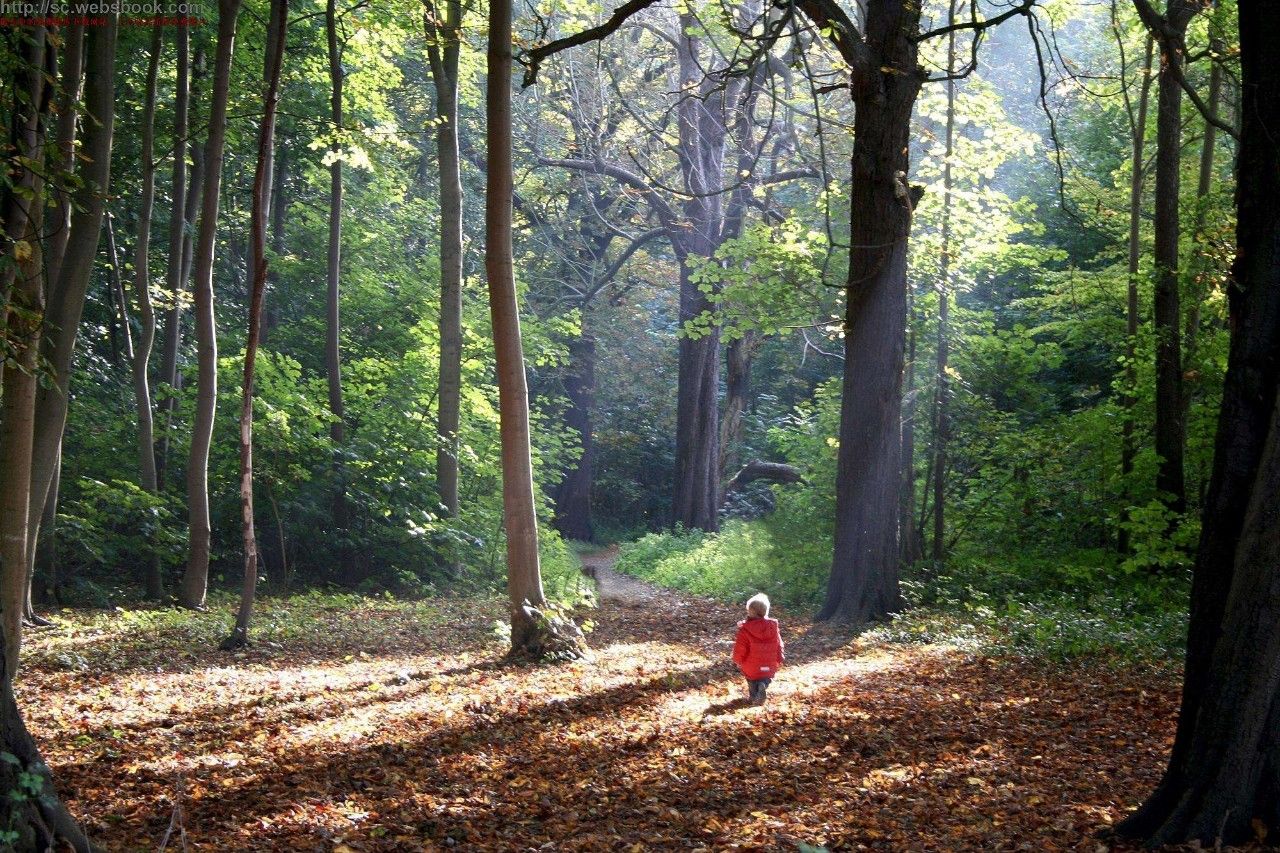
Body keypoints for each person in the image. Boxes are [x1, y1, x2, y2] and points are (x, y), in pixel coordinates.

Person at [732, 592, 784, 706]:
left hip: (751, 664)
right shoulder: (773, 627)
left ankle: (753, 697)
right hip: (769, 664)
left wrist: (737, 660)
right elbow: (779, 644)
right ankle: (763, 685)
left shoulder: (745, 629)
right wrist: (780, 657)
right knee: (765, 678)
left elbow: (741, 647)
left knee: (751, 679)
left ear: (750, 612)